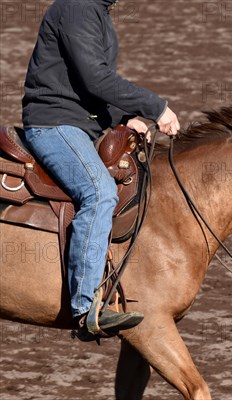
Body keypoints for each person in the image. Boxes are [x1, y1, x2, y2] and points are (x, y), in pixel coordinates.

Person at [21, 0, 180, 336]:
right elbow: (96, 78)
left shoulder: (96, 11)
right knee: (99, 191)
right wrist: (156, 107)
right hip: (54, 125)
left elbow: (84, 83)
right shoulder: (78, 7)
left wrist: (124, 117)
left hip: (77, 123)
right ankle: (85, 306)